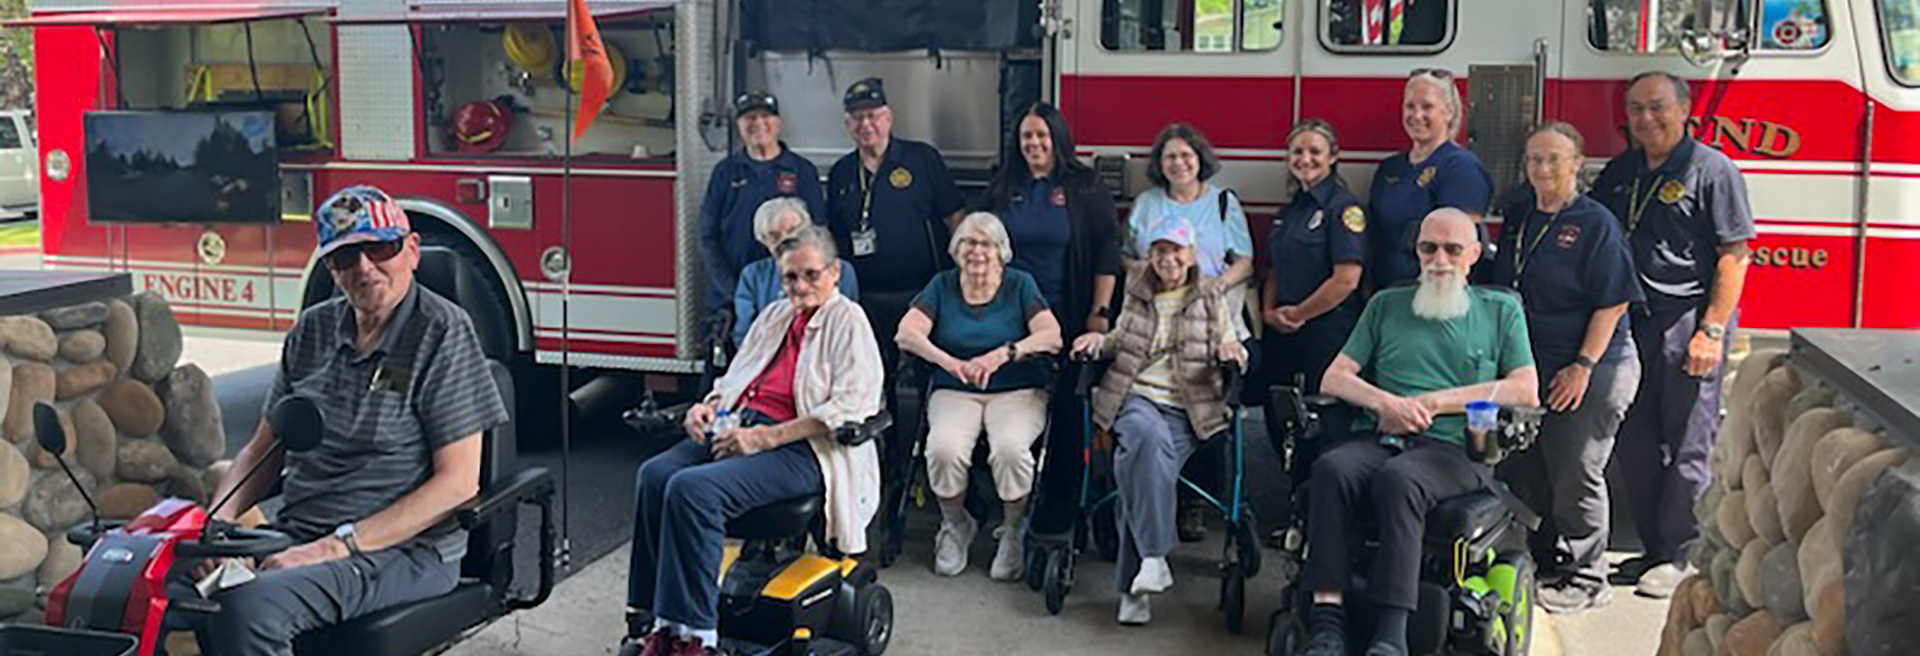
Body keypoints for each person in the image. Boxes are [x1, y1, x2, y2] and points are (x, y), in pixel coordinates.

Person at [170, 186, 509, 656]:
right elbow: (265, 450)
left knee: (246, 610)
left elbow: (458, 485)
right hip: (298, 534)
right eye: (347, 256)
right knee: (163, 588)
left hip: (402, 551)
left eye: (381, 248)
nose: (365, 266)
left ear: (411, 250)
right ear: (331, 269)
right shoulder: (312, 331)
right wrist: (216, 529)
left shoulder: (441, 331)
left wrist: (332, 548)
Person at [620, 226, 883, 656]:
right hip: (741, 428)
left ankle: (695, 639)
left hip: (803, 448)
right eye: (791, 277)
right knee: (655, 475)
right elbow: (738, 378)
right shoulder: (775, 315)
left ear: (834, 273)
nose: (800, 286)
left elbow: (851, 407)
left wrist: (764, 438)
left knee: (693, 490)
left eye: (811, 275)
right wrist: (707, 407)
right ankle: (656, 622)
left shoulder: (847, 320)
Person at [1296, 209, 1538, 656]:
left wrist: (1437, 402)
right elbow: (1334, 378)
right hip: (1381, 435)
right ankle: (1327, 618)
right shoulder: (1386, 304)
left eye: (1452, 249)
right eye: (1429, 248)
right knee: (1331, 468)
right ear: (1417, 252)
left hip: (1457, 448)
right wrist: (1384, 402)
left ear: (1473, 255)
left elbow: (1525, 387)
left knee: (1400, 480)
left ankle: (1392, 634)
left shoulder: (1500, 310)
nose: (1439, 258)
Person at [1592, 71, 1754, 599]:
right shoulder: (1621, 172)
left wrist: (1710, 330)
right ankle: (1653, 548)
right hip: (1630, 322)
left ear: (1684, 110)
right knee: (1633, 440)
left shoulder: (1713, 170)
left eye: (1657, 107)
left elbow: (1735, 255)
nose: (1646, 118)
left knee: (1688, 441)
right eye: (1636, 109)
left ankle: (1681, 555)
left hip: (1688, 319)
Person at [1489, 122, 1644, 614]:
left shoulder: (1595, 223)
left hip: (1592, 365)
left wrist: (1581, 367)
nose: (1543, 168)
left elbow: (1614, 301)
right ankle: (1538, 558)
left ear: (1578, 164)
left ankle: (1587, 576)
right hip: (1532, 368)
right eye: (1535, 159)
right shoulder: (1520, 217)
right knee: (1525, 463)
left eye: (1555, 159)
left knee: (1576, 467)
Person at [1070, 217, 1248, 627]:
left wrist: (1232, 350)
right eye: (1160, 251)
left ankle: (1136, 588)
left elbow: (1232, 340)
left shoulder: (1210, 293)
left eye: (1176, 251)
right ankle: (1152, 558)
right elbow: (1121, 339)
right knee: (1144, 440)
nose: (1168, 259)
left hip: (1190, 408)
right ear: (1150, 256)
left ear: (1191, 255)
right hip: (1136, 397)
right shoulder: (1137, 290)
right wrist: (1098, 341)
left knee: (1134, 466)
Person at [979, 102, 1123, 545]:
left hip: (1069, 314)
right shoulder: (1004, 186)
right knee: (1013, 405)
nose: (1034, 144)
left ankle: (1061, 506)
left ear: (1058, 139)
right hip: (1011, 317)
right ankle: (1010, 500)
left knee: (1066, 410)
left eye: (1042, 135)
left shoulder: (1085, 187)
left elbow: (1106, 250)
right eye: (1026, 136)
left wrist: (1098, 315)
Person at [895, 213, 1063, 580]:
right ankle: (956, 524)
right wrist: (950, 363)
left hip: (1017, 388)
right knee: (943, 447)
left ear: (1001, 251)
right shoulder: (942, 285)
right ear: (956, 250)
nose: (977, 251)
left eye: (986, 243)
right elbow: (906, 334)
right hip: (956, 388)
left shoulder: (1020, 285)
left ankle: (1014, 527)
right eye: (969, 242)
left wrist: (1004, 354)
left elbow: (1052, 336)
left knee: (1009, 448)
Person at [1260, 119, 1366, 541]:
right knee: (1282, 420)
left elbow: (1347, 279)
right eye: (1297, 153)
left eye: (1314, 152)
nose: (1304, 160)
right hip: (1283, 333)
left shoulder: (1345, 209)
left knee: (1326, 426)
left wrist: (1300, 313)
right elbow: (1274, 270)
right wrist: (1269, 311)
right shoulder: (1290, 211)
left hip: (1326, 336)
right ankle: (1296, 514)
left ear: (1333, 156)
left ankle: (1327, 522)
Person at [825, 77, 967, 374]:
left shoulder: (922, 159)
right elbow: (833, 236)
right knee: (873, 372)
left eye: (873, 115)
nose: (866, 124)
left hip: (922, 292)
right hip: (865, 295)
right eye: (857, 118)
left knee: (926, 370)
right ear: (847, 124)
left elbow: (954, 217)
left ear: (888, 118)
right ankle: (884, 422)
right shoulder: (841, 172)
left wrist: (959, 276)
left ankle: (926, 422)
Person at [698, 91, 826, 317]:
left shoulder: (802, 171)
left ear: (778, 123)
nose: (758, 123)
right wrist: (734, 291)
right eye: (749, 118)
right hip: (732, 299)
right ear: (738, 125)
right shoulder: (725, 172)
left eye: (765, 116)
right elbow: (708, 237)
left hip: (792, 297)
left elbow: (818, 232)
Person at [1367, 69, 1494, 289]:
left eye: (1427, 107)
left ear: (1448, 112)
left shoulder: (1462, 168)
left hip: (1434, 296)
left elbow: (1458, 250)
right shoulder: (1389, 168)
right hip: (1386, 295)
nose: (1416, 116)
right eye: (1410, 106)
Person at [733, 198, 860, 349]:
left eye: (793, 232)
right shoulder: (752, 276)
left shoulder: (840, 270)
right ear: (763, 241)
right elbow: (744, 335)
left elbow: (845, 326)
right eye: (774, 236)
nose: (784, 241)